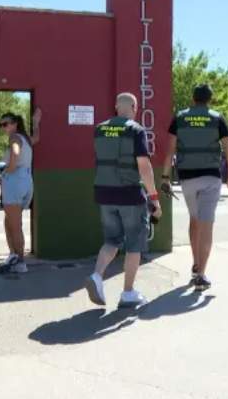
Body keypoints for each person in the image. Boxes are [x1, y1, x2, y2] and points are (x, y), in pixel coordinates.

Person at [85, 93, 162, 308]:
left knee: (111, 241)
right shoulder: (135, 129)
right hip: (129, 195)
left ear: (117, 107)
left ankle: (97, 276)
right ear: (135, 107)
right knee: (134, 244)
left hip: (104, 194)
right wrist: (154, 197)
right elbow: (144, 167)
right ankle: (128, 293)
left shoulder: (99, 129)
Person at [161, 84, 228, 292]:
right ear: (209, 100)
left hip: (187, 178)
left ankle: (195, 265)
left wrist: (165, 176)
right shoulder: (216, 118)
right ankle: (201, 276)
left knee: (195, 220)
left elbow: (169, 151)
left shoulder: (180, 118)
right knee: (207, 224)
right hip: (211, 177)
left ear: (193, 99)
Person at [0, 109, 41, 275]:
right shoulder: (25, 138)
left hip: (15, 181)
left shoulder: (14, 137)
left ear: (15, 124)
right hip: (26, 181)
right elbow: (37, 138)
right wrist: (36, 122)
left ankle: (20, 262)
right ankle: (14, 256)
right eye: (1, 125)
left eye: (6, 124)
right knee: (10, 221)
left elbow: (15, 153)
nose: (3, 127)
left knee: (15, 225)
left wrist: (8, 169)